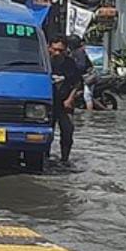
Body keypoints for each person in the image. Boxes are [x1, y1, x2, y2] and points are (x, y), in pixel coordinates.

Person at [48, 35, 82, 163]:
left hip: (64, 103)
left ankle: (64, 159)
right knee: (46, 133)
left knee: (67, 131)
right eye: (55, 49)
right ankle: (45, 156)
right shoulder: (44, 62)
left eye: (61, 50)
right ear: (49, 47)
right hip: (47, 104)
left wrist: (70, 99)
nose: (57, 53)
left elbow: (77, 83)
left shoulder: (70, 64)